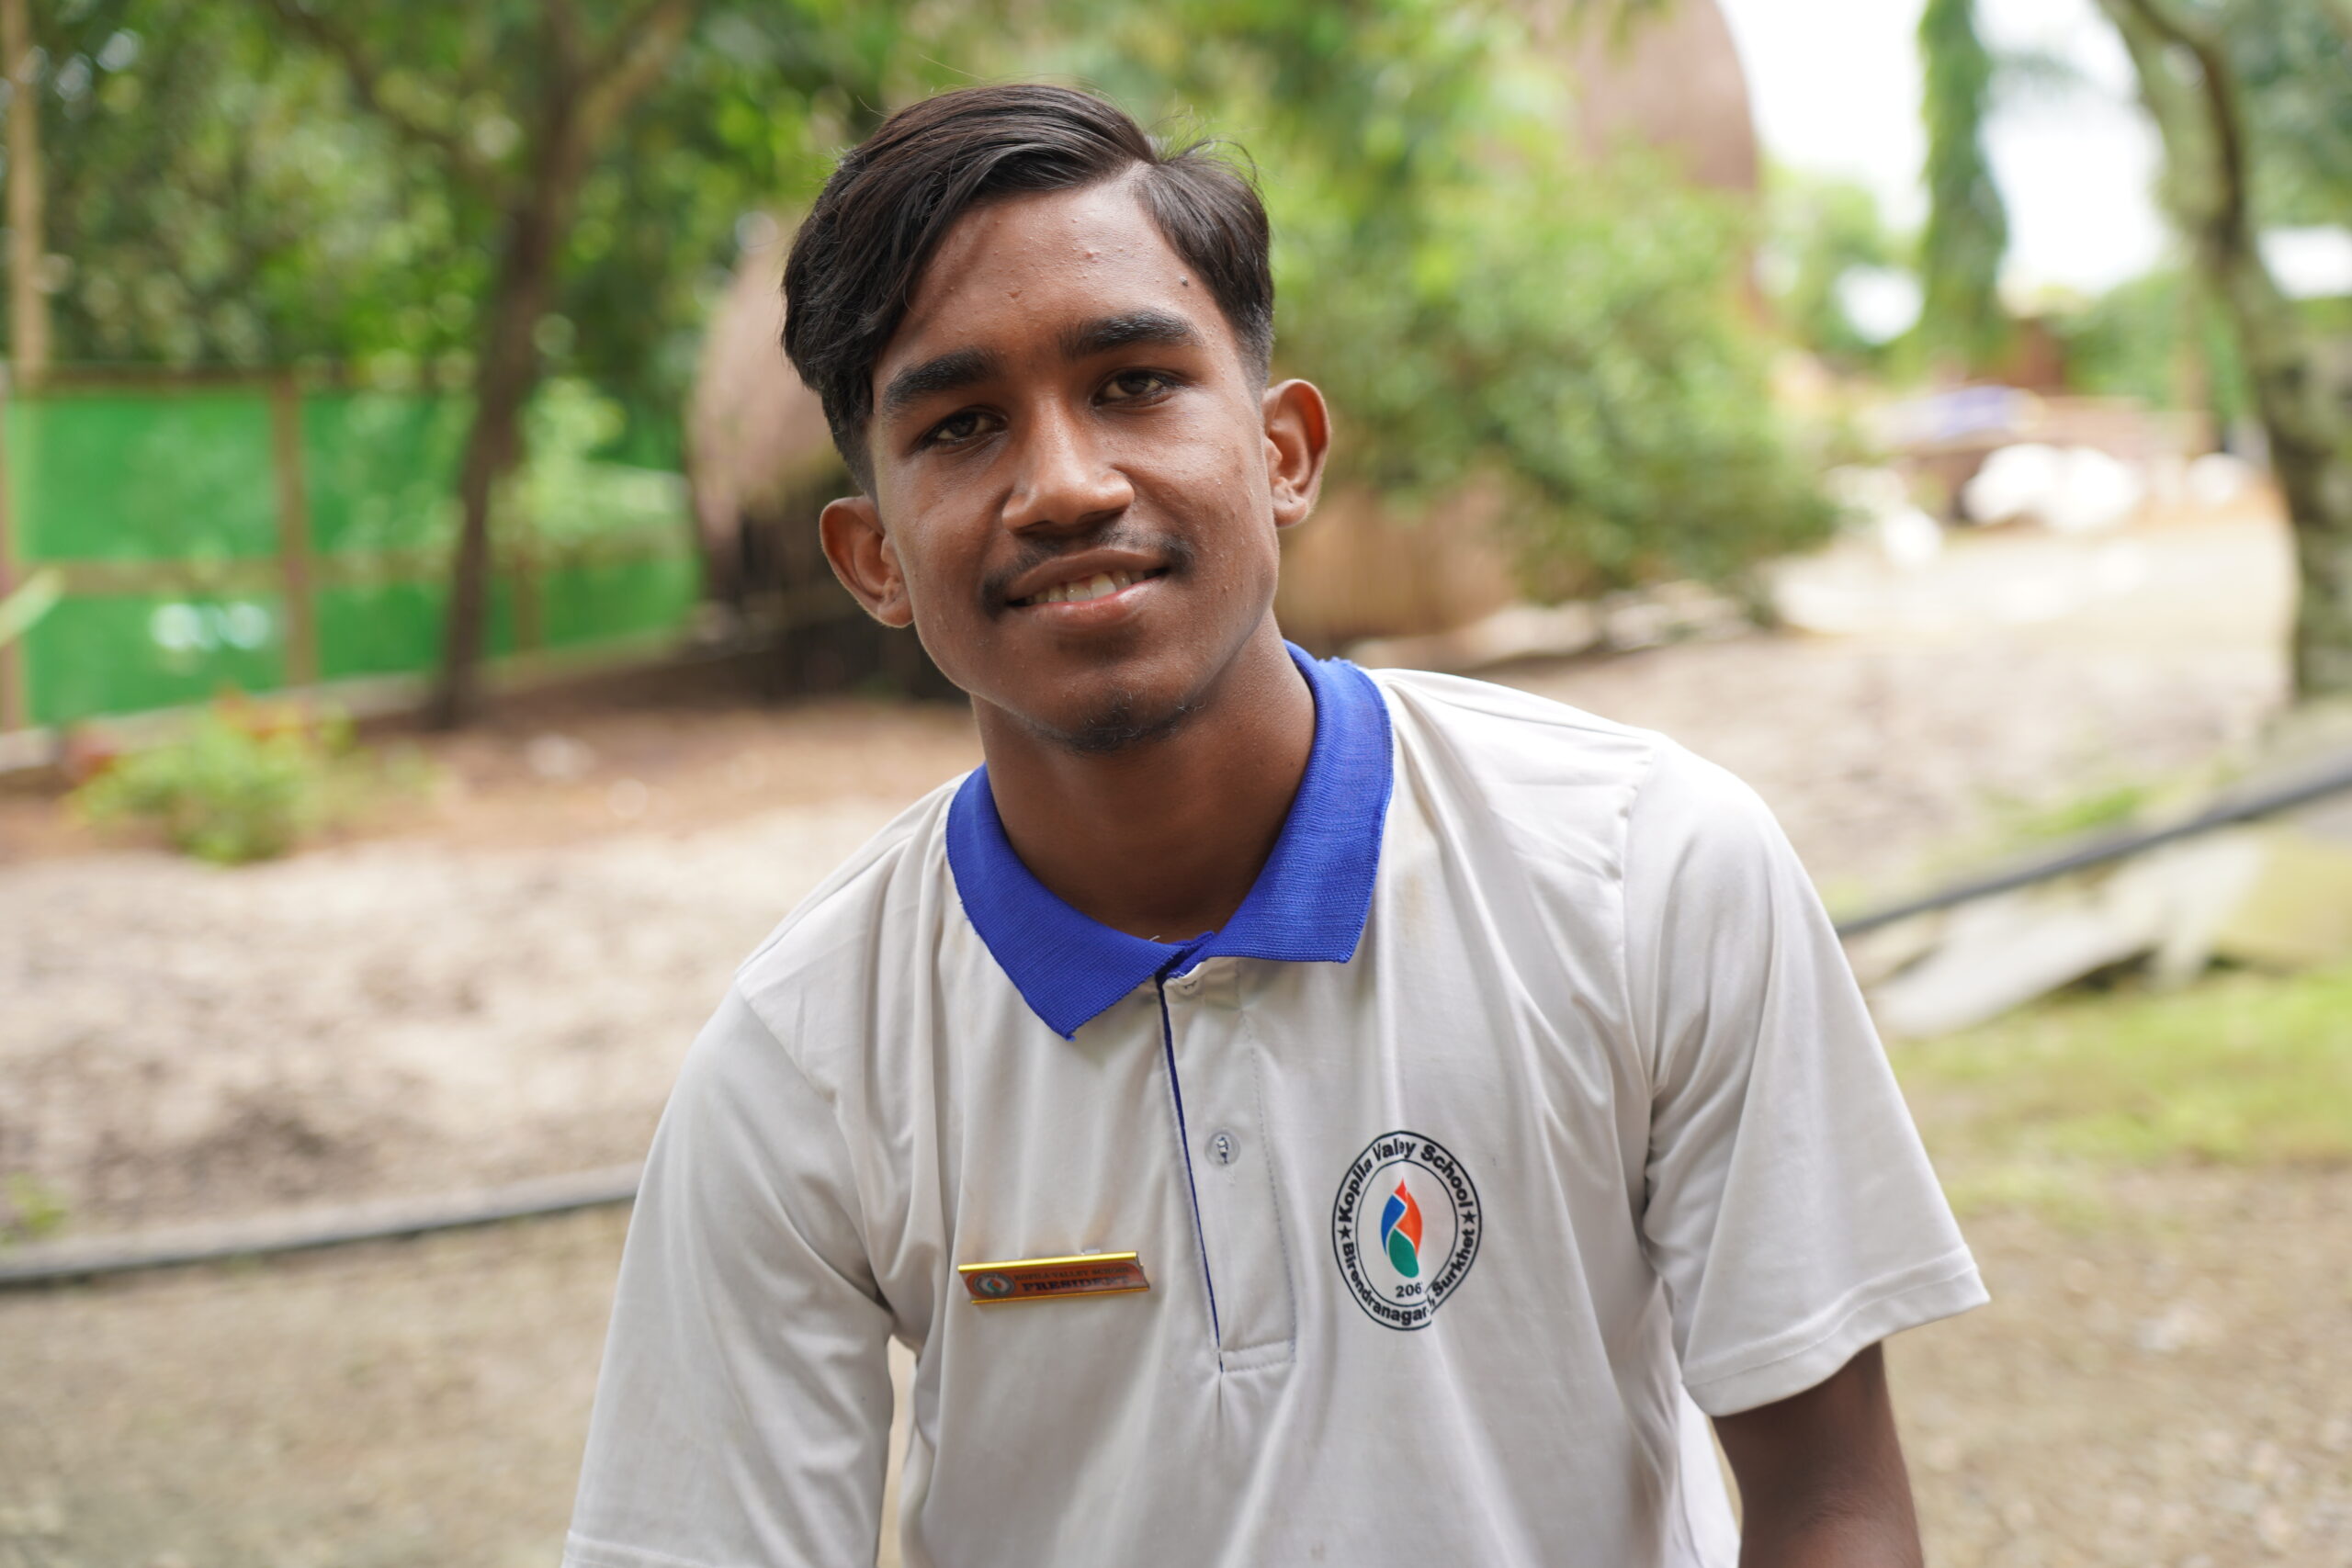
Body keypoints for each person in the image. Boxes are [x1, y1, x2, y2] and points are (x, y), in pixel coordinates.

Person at [565, 83, 1984, 1568]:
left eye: (1132, 382)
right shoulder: (802, 1064)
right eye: (964, 424)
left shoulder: (1647, 869)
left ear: (1285, 450)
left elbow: (1831, 1499)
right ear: (873, 559)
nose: (1064, 483)